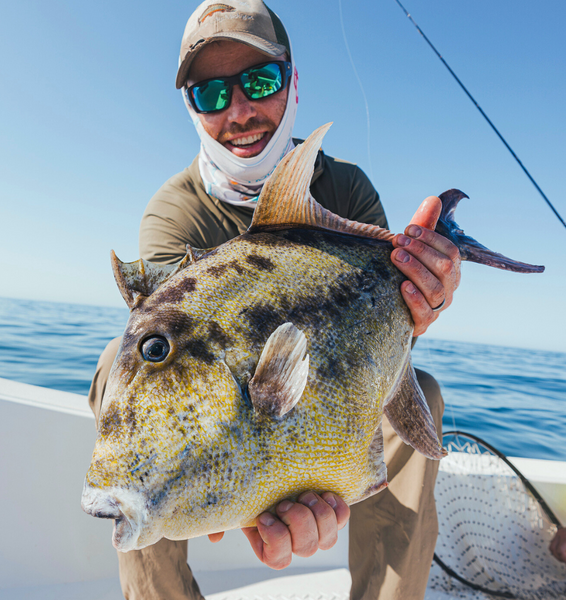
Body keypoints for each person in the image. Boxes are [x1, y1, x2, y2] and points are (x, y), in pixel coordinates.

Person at [88, 1, 461, 598]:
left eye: (259, 81)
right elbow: (172, 373)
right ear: (191, 108)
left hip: (324, 387)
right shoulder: (174, 215)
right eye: (211, 94)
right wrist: (242, 494)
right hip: (233, 405)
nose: (239, 111)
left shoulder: (345, 189)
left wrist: (424, 300)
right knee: (120, 365)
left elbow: (382, 333)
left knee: (427, 395)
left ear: (292, 83)